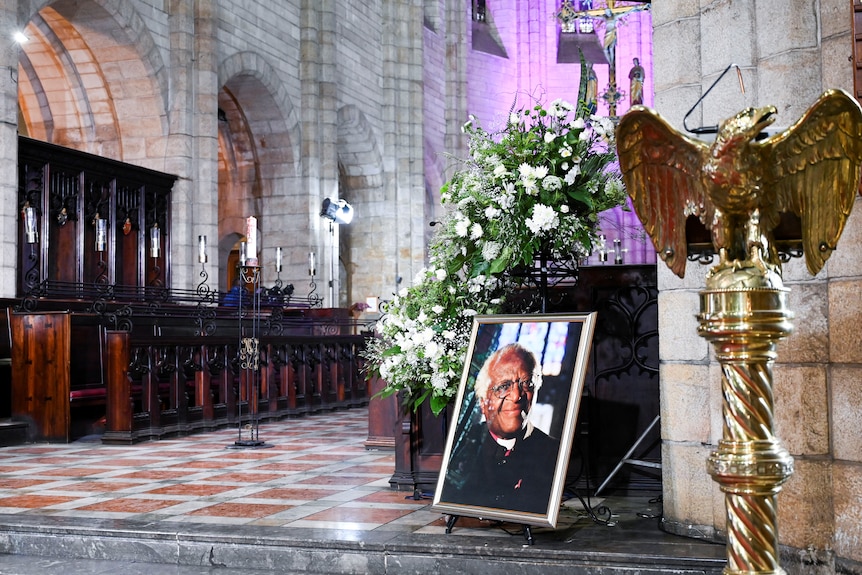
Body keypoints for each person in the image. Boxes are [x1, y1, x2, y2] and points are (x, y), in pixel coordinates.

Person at [440, 343, 560, 514]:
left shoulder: (554, 451)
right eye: (503, 386)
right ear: (483, 402)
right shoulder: (462, 444)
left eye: (526, 384)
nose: (517, 395)